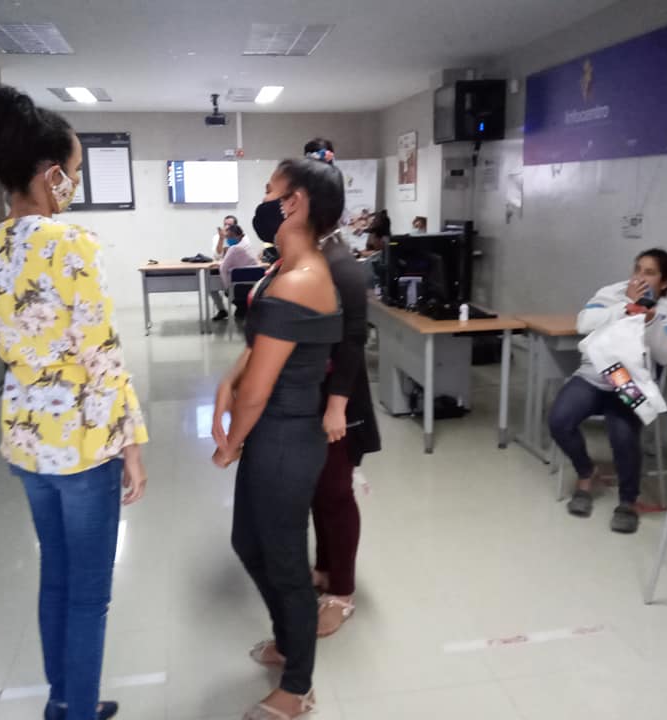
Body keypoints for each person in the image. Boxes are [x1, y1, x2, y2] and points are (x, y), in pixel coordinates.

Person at [0, 86, 148, 720]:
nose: (74, 182)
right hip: (82, 439)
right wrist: (132, 444)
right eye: (73, 171)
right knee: (89, 594)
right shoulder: (72, 242)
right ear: (52, 175)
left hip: (26, 434)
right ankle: (78, 711)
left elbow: (3, 337)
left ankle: (62, 701)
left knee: (56, 574)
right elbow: (101, 355)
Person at [213, 157, 344, 720]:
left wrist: (230, 441)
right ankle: (290, 640)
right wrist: (228, 379)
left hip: (286, 438)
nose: (263, 201)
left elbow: (258, 392)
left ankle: (298, 686)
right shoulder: (284, 270)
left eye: (270, 190)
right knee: (249, 543)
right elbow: (260, 347)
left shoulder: (302, 279)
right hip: (273, 435)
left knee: (286, 563)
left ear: (295, 203)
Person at [300, 139, 381, 638]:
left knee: (334, 494)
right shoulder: (314, 257)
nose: (277, 208)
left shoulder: (341, 266)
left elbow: (352, 343)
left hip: (338, 402)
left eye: (284, 198)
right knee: (319, 492)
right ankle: (325, 569)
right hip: (312, 397)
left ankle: (342, 593)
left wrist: (336, 408)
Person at [548, 249, 667, 534]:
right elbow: (583, 323)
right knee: (559, 420)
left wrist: (649, 321)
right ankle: (586, 473)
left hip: (629, 382)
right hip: (594, 374)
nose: (640, 277)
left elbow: (666, 355)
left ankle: (627, 501)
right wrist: (626, 306)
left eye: (649, 273)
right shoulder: (611, 294)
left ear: (666, 282)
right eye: (637, 270)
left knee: (623, 434)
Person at [219, 223, 260, 319]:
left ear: (239, 236)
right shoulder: (248, 245)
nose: (229, 239)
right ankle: (244, 309)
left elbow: (223, 269)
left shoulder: (234, 248)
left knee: (227, 291)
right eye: (227, 237)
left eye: (231, 236)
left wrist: (227, 288)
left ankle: (241, 308)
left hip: (238, 288)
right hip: (254, 286)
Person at [210, 215, 243, 321]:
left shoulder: (241, 237)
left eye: (230, 225)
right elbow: (217, 255)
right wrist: (221, 238)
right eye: (225, 224)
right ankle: (222, 310)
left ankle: (242, 306)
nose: (227, 227)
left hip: (238, 267)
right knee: (210, 282)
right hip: (222, 266)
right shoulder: (217, 237)